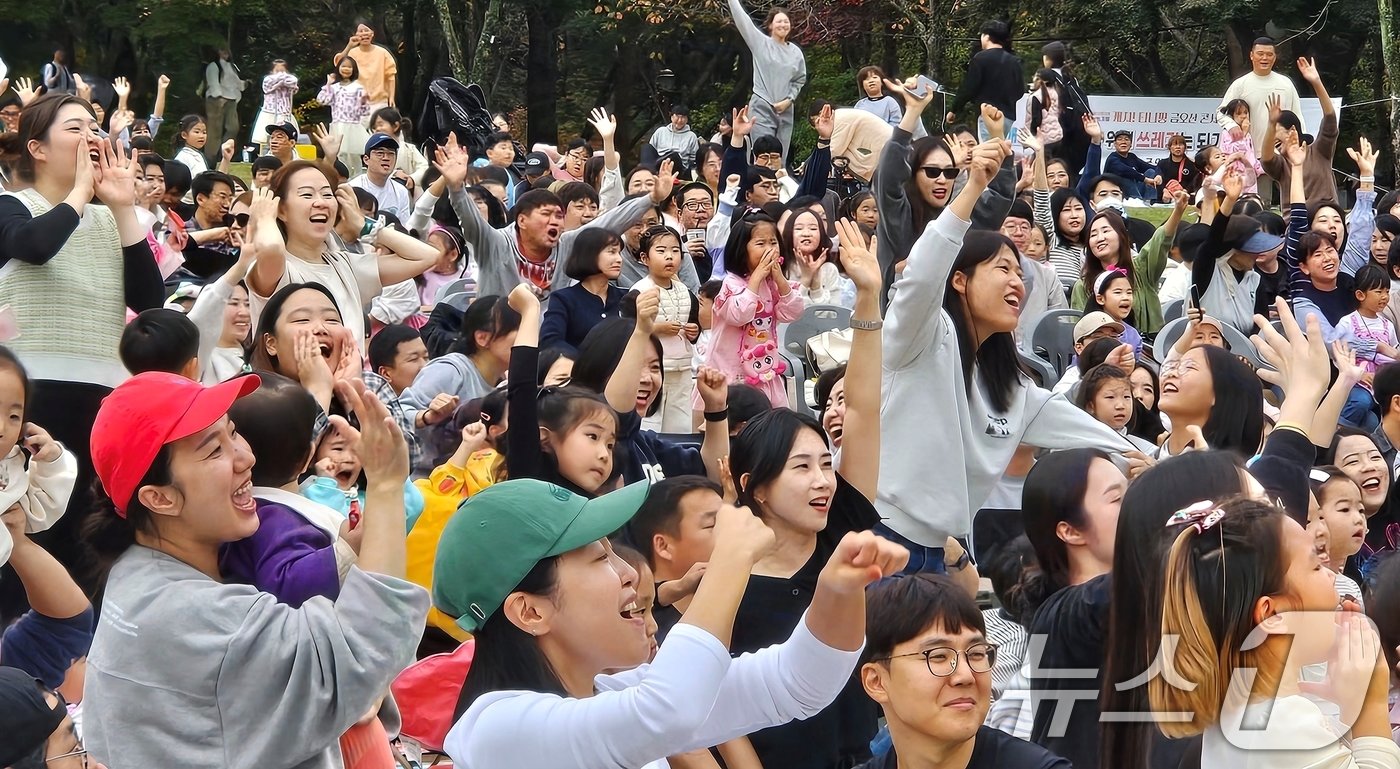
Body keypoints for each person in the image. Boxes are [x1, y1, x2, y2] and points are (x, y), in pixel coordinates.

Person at [433, 473, 909, 769]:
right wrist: (730, 561)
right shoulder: (495, 729)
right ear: (529, 611)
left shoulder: (618, 694)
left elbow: (797, 684)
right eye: (598, 560)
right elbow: (669, 709)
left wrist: (838, 591)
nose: (627, 574)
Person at [81, 373, 429, 767]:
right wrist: (384, 485)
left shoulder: (134, 573)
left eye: (233, 432)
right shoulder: (201, 616)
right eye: (214, 451)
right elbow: (361, 651)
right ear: (159, 498)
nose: (246, 458)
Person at [877, 139, 1133, 568]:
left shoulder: (1009, 384)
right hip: (879, 540)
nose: (1018, 282)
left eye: (1020, 272)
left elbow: (1076, 425)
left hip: (939, 553)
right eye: (1002, 269)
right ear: (959, 281)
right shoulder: (922, 336)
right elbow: (922, 275)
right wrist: (973, 186)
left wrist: (1136, 457)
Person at [0, 94, 164, 580]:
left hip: (101, 395)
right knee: (23, 529)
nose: (91, 136)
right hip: (29, 396)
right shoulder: (13, 205)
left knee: (84, 533)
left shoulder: (107, 218)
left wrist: (121, 207)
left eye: (95, 126)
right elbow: (34, 247)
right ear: (38, 148)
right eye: (75, 128)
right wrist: (79, 193)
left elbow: (149, 297)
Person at [1150, 498, 1399, 768]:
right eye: (1316, 567)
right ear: (1272, 615)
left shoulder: (1247, 713)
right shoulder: (1282, 725)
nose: (1331, 577)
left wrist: (1349, 703)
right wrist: (1369, 703)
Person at [245, 161, 437, 349]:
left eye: (327, 194)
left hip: (351, 380)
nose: (320, 202)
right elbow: (271, 248)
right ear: (282, 210)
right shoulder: (278, 267)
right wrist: (264, 218)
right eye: (306, 194)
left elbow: (427, 256)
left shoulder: (345, 265)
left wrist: (364, 225)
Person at [1216, 36, 1301, 201]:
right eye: (1260, 53)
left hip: (1282, 152)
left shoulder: (1285, 84)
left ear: (1275, 57)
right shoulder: (1241, 84)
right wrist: (1231, 125)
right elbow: (1221, 112)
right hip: (1252, 156)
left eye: (1269, 54)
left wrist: (1298, 143)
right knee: (1259, 201)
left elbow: (1297, 118)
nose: (1264, 58)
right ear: (1251, 55)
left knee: (1292, 199)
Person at [727, 0, 807, 161]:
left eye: (786, 21)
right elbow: (743, 20)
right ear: (770, 25)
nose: (783, 25)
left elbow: (799, 80)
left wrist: (789, 100)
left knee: (780, 159)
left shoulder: (795, 52)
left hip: (785, 109)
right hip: (762, 106)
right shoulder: (761, 43)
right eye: (779, 21)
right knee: (763, 155)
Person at [539, 228, 629, 353]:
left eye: (619, 253)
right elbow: (550, 340)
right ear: (589, 254)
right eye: (611, 252)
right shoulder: (564, 299)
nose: (619, 259)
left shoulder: (627, 297)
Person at [945, 20, 1023, 141]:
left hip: (988, 115)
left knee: (988, 152)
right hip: (1010, 117)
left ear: (986, 36)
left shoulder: (980, 58)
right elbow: (1020, 91)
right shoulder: (1014, 61)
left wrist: (954, 109)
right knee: (1003, 152)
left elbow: (969, 87)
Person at [334, 22, 397, 120]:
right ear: (356, 35)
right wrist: (349, 46)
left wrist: (391, 98)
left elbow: (391, 76)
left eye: (366, 30)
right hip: (357, 102)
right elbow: (339, 64)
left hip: (380, 102)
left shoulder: (383, 53)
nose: (364, 34)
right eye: (360, 31)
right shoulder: (352, 52)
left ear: (372, 33)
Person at [318, 58, 370, 176]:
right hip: (337, 126)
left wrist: (363, 104)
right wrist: (328, 84)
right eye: (343, 66)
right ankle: (340, 177)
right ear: (338, 68)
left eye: (349, 67)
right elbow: (321, 100)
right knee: (339, 154)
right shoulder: (334, 87)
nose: (346, 69)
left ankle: (356, 178)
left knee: (354, 155)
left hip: (353, 126)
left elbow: (365, 110)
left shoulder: (358, 88)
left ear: (354, 70)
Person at [347, 132, 411, 220]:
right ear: (366, 159)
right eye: (380, 153)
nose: (386, 158)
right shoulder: (353, 188)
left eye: (391, 154)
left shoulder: (401, 192)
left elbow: (404, 226)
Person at [202, 48, 246, 167]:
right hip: (217, 99)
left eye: (227, 52)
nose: (225, 54)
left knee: (233, 127)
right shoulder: (214, 65)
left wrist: (244, 85)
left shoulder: (231, 66)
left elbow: (236, 83)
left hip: (231, 99)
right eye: (222, 51)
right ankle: (210, 158)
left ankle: (224, 153)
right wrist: (218, 97)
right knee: (214, 130)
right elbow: (213, 82)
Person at [250, 59, 298, 153]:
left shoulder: (289, 80)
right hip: (271, 112)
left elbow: (293, 81)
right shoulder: (268, 79)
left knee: (286, 134)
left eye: (283, 71)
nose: (280, 73)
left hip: (285, 112)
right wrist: (281, 80)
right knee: (266, 136)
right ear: (271, 72)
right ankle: (267, 153)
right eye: (277, 71)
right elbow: (268, 85)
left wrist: (281, 80)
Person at [648, 104, 700, 170]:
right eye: (677, 117)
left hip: (678, 166)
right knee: (646, 148)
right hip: (659, 161)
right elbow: (651, 149)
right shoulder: (661, 131)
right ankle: (647, 171)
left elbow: (694, 158)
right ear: (672, 117)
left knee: (674, 155)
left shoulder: (691, 136)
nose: (680, 120)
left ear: (687, 120)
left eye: (683, 117)